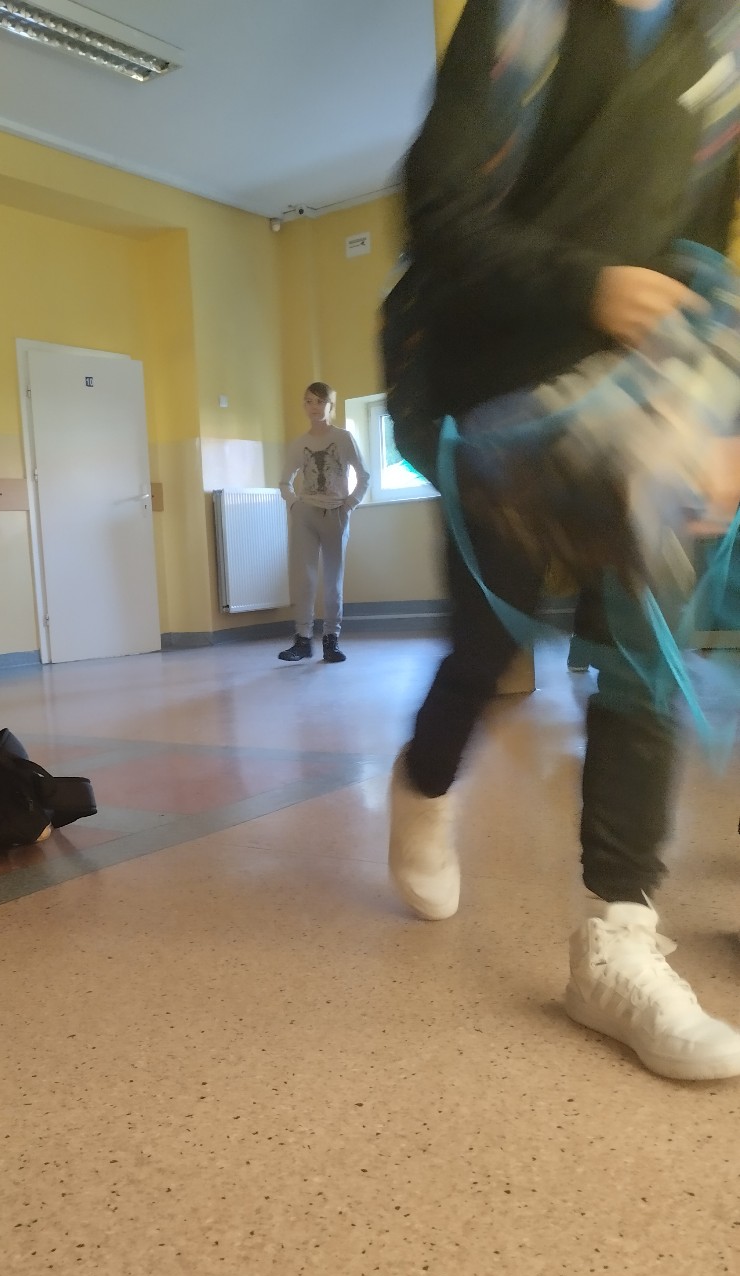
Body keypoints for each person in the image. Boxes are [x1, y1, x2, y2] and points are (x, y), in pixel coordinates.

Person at [386, 0, 740, 1079]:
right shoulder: (523, 15)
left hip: (634, 395)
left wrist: (720, 409)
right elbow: (438, 208)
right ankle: (423, 780)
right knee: (486, 648)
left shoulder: (718, 46)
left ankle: (614, 939)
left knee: (642, 645)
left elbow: (700, 244)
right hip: (491, 390)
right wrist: (586, 284)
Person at [278, 382, 370, 664]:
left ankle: (331, 639)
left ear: (330, 405)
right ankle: (303, 639)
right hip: (306, 515)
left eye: (319, 401)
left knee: (333, 580)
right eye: (308, 401)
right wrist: (294, 505)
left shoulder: (343, 438)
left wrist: (349, 504)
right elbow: (284, 482)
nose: (313, 407)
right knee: (304, 578)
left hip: (336, 514)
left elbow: (364, 476)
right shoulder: (299, 443)